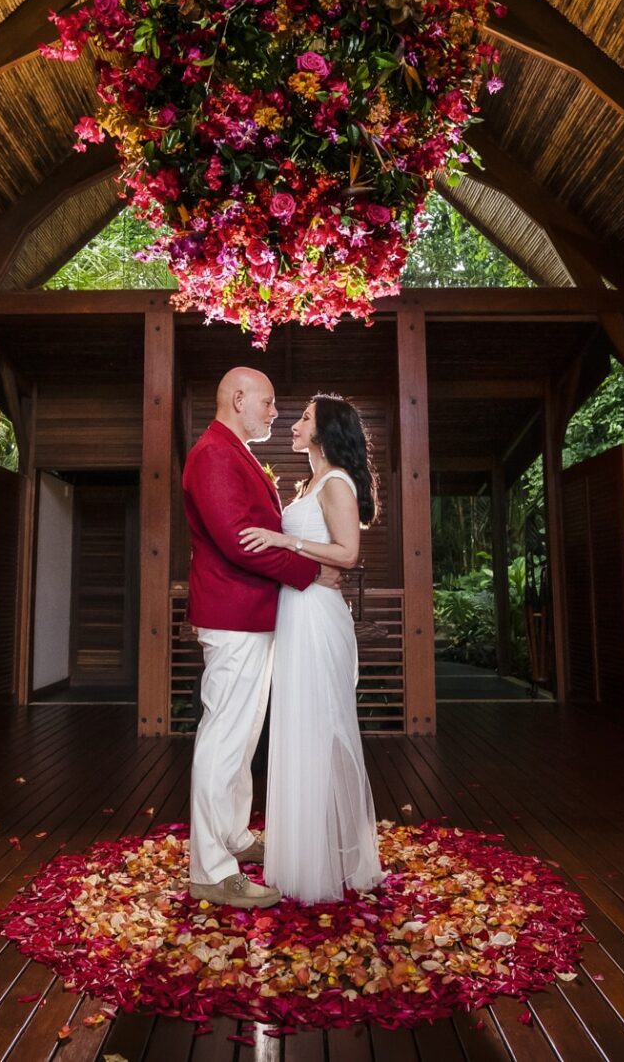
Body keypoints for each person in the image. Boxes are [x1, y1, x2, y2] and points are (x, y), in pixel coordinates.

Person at [181, 367, 340, 909]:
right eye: (269, 403)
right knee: (225, 736)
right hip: (233, 613)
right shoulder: (213, 454)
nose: (276, 412)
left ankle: (233, 837)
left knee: (243, 736)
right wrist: (312, 574)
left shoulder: (234, 451)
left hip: (252, 614)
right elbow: (237, 541)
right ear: (239, 398)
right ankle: (209, 867)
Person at [238, 394, 385, 903]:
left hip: (319, 617)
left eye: (303, 418)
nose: (293, 424)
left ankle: (329, 859)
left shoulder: (339, 481)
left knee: (323, 726)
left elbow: (346, 554)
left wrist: (283, 543)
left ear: (325, 430)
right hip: (294, 613)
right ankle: (304, 853)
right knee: (298, 728)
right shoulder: (309, 484)